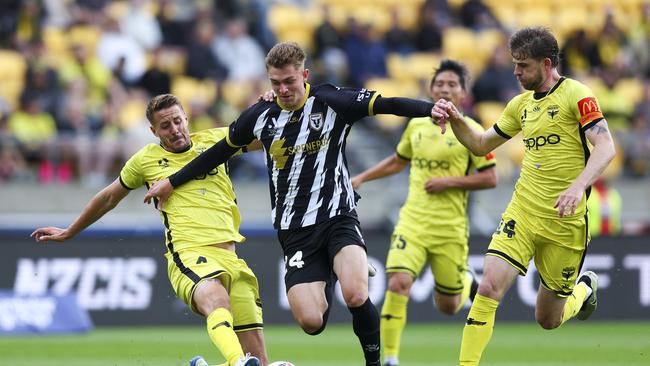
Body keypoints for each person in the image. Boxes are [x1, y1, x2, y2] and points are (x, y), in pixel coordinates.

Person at [143, 42, 441, 366]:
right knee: (311, 322)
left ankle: (375, 362)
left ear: (305, 75)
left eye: (289, 81)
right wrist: (172, 182)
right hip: (294, 230)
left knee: (355, 294)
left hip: (337, 215)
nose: (283, 89)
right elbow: (215, 154)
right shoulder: (259, 116)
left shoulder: (330, 100)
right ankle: (331, 267)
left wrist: (430, 110)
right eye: (275, 83)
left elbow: (387, 104)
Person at [31, 94, 267, 366]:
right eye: (165, 126)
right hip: (188, 254)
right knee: (216, 300)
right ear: (153, 131)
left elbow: (266, 138)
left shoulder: (216, 141)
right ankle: (236, 361)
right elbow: (109, 197)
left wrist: (273, 104)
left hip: (232, 257)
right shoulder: (146, 160)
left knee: (259, 357)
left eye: (178, 121)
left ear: (187, 119)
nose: (175, 129)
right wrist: (70, 230)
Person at [431, 27, 617, 365]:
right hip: (524, 211)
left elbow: (605, 147)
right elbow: (480, 143)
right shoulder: (520, 106)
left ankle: (584, 289)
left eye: (523, 65)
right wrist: (457, 120)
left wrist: (577, 187)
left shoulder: (577, 94)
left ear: (547, 64)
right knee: (488, 288)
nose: (515, 72)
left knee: (548, 319)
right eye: (515, 64)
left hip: (565, 221)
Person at [351, 59, 498, 366]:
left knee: (448, 306)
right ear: (431, 90)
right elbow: (397, 161)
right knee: (398, 283)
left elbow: (490, 177)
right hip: (413, 221)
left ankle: (462, 278)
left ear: (463, 92)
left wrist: (450, 181)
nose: (445, 89)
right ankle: (389, 358)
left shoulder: (473, 130)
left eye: (452, 84)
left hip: (450, 228)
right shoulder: (416, 125)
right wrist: (362, 177)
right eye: (439, 84)